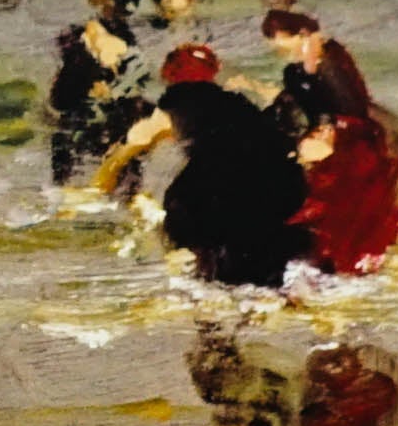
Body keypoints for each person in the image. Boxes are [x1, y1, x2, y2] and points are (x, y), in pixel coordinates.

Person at [93, 42, 308, 288]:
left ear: (168, 75)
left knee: (191, 219)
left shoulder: (172, 104)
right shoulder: (236, 102)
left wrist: (99, 188)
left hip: (220, 189)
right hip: (281, 182)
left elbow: (129, 148)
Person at [263, 2, 398, 274]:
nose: (287, 55)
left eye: (288, 46)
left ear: (305, 35)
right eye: (280, 50)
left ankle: (342, 265)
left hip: (352, 144)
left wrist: (326, 132)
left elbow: (351, 107)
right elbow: (294, 101)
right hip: (330, 143)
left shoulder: (332, 61)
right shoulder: (297, 70)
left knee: (340, 210)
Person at [44, 11, 151, 186]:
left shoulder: (135, 65)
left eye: (98, 36)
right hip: (82, 128)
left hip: (122, 125)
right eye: (87, 39)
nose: (92, 42)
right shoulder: (77, 68)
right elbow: (59, 101)